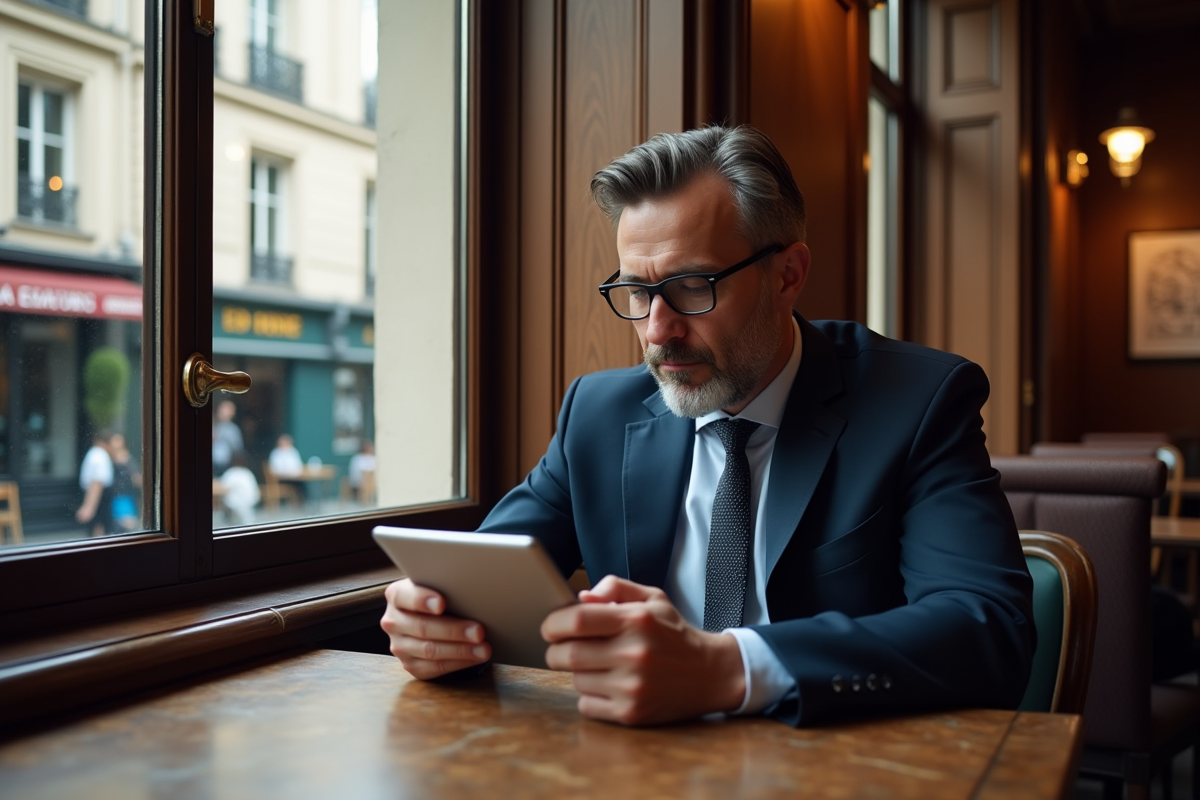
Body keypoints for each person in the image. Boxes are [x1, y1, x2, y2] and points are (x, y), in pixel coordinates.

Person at [381, 125, 1035, 727]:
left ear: (788, 275)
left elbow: (988, 629)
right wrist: (435, 618)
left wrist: (729, 667)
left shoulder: (916, 402)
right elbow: (488, 576)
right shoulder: (598, 415)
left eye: (692, 286)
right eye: (638, 292)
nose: (657, 330)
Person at [75, 430, 115, 537]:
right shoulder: (100, 455)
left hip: (96, 495)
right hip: (100, 498)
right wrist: (89, 507)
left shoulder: (95, 453)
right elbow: (97, 482)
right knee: (99, 530)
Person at [107, 432, 141, 532]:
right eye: (114, 440)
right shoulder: (107, 457)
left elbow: (135, 476)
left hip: (124, 496)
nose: (116, 443)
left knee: (128, 524)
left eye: (119, 440)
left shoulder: (128, 458)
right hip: (110, 496)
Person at [219, 451, 261, 526]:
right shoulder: (248, 472)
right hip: (250, 500)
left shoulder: (231, 473)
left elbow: (224, 488)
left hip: (237, 502)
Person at [212, 400, 244, 477]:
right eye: (222, 409)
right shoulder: (213, 425)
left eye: (227, 410)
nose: (223, 412)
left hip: (226, 466)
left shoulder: (233, 429)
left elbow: (238, 449)